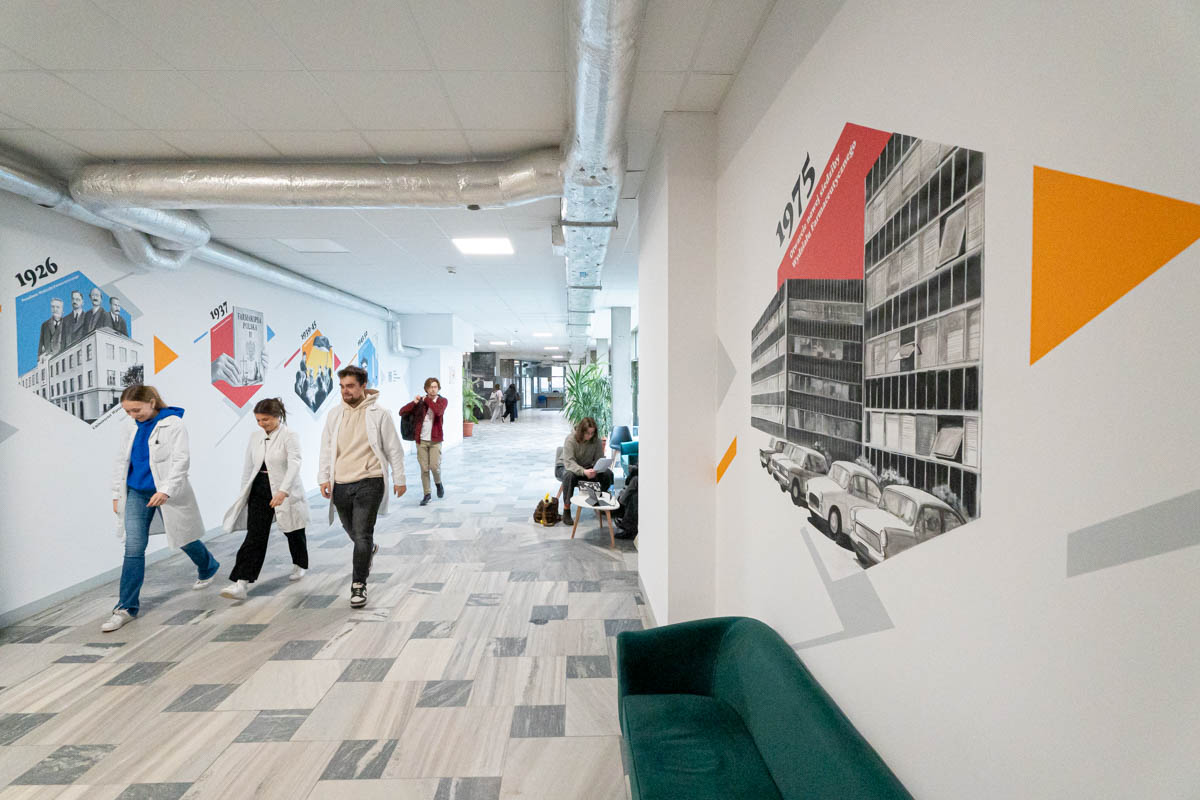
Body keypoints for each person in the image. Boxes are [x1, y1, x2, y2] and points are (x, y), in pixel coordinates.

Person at [102, 385, 220, 632]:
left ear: (152, 402)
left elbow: (181, 461)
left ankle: (208, 565)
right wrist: (116, 494)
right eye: (128, 411)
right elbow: (120, 462)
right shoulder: (129, 426)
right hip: (136, 491)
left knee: (183, 537)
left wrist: (166, 489)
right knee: (134, 546)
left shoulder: (174, 424)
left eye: (137, 409)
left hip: (167, 491)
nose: (133, 415)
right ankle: (125, 607)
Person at [318, 365, 406, 608]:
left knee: (363, 532)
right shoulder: (335, 415)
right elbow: (327, 448)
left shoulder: (380, 413)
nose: (345, 391)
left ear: (363, 385)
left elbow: (393, 448)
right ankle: (368, 549)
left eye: (350, 386)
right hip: (341, 483)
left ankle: (359, 585)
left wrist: (400, 478)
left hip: (371, 479)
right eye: (342, 387)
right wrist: (324, 477)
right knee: (354, 533)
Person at [219, 397, 310, 601]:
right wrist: (245, 492)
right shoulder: (255, 437)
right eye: (258, 420)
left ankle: (300, 563)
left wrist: (283, 490)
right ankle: (241, 582)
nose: (262, 424)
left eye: (266, 420)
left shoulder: (289, 435)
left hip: (283, 488)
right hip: (259, 489)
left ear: (277, 416)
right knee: (255, 536)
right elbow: (248, 466)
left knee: (293, 530)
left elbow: (295, 464)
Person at [399, 377, 448, 506]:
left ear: (438, 388)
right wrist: (414, 403)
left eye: (435, 387)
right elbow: (402, 412)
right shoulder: (420, 402)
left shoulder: (442, 401)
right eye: (430, 387)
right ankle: (427, 494)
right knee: (424, 469)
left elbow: (438, 411)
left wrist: (426, 399)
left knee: (435, 467)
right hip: (421, 440)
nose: (433, 389)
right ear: (426, 388)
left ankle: (438, 483)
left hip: (435, 440)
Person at [558, 416, 614, 526]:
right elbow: (569, 462)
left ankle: (599, 502)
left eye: (592, 433)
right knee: (569, 476)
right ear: (581, 431)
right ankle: (566, 510)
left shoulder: (596, 441)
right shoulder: (571, 439)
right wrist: (584, 472)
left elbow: (599, 459)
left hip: (587, 468)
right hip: (567, 467)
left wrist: (598, 468)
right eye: (587, 433)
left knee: (608, 474)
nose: (590, 436)